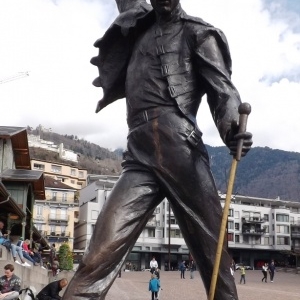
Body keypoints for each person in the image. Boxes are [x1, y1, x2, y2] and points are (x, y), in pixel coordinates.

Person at [62, 0, 252, 299]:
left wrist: (232, 128)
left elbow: (223, 90)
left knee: (213, 255)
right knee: (98, 256)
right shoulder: (138, 26)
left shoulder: (199, 34)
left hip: (180, 150)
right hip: (138, 154)